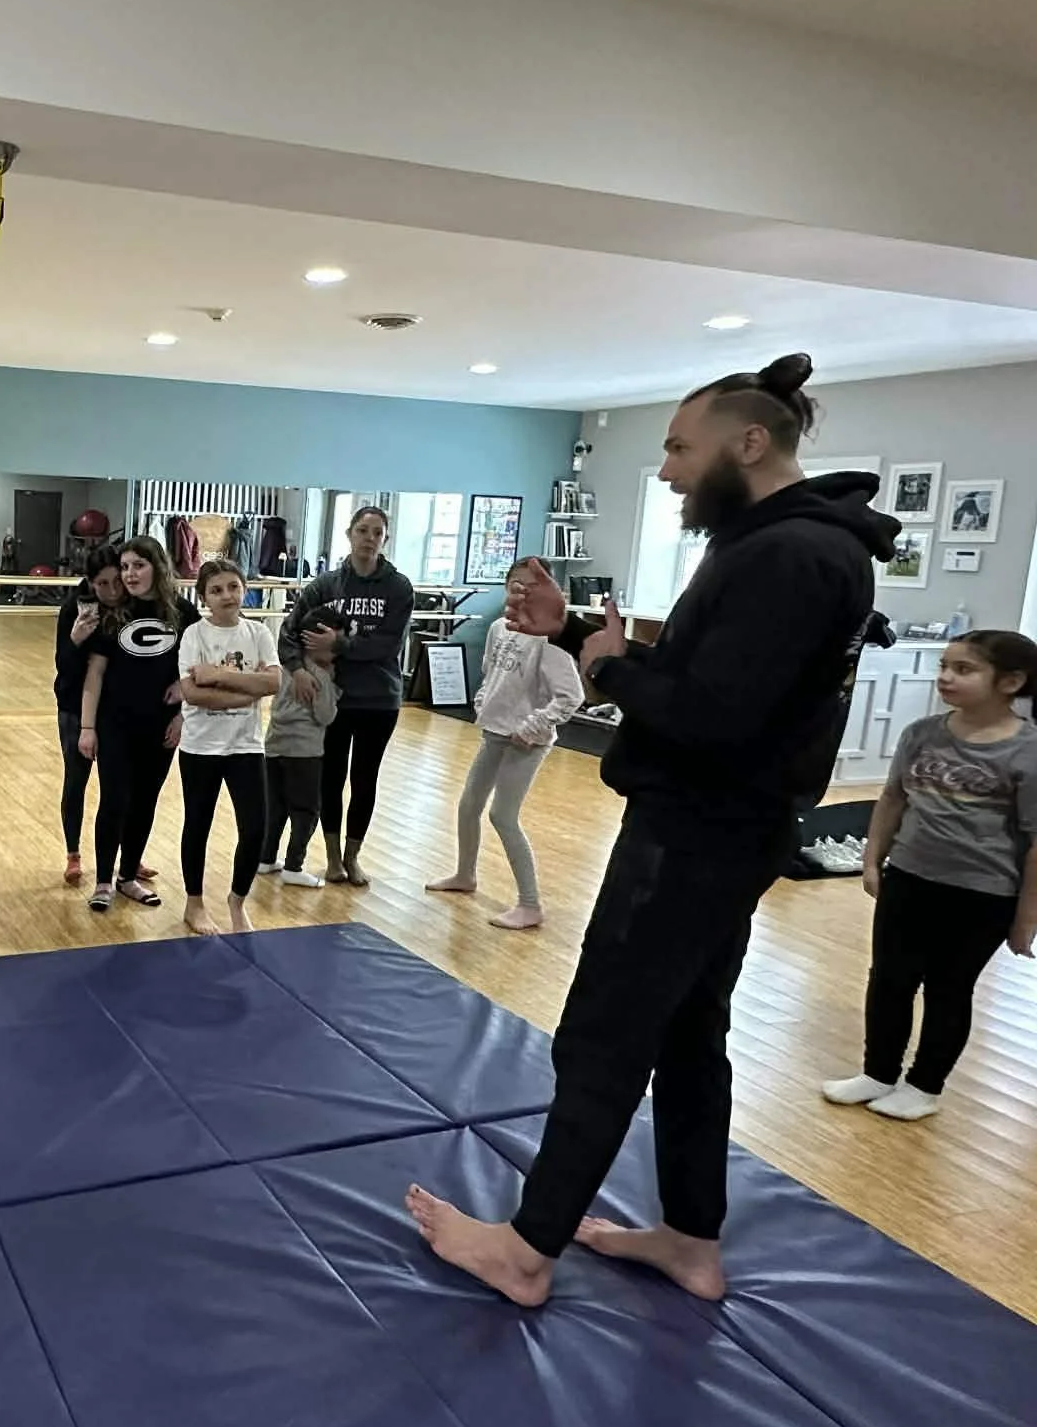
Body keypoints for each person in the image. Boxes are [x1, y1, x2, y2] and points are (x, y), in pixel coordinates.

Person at [406, 353, 897, 1307]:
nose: (667, 469)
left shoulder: (789, 554)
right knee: (687, 1033)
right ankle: (690, 1237)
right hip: (731, 827)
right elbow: (738, 676)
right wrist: (581, 640)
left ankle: (526, 1250)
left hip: (695, 832)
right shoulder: (790, 544)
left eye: (679, 447)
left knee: (603, 1034)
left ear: (749, 443)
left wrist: (612, 669)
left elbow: (713, 716)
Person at [822, 631, 1037, 1121]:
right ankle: (878, 1072)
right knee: (890, 980)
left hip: (982, 895)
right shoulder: (921, 733)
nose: (945, 677)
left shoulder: (1028, 753)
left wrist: (1026, 917)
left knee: (948, 988)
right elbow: (893, 797)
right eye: (944, 666)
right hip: (911, 878)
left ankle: (924, 1086)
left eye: (963, 669)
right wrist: (874, 858)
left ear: (1011, 682)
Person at [426, 559, 585, 930]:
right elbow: (491, 674)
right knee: (469, 806)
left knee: (503, 815)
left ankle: (530, 904)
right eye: (515, 584)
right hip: (494, 733)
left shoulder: (550, 640)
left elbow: (570, 696)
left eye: (530, 585)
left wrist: (531, 727)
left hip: (525, 743)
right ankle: (465, 874)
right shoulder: (500, 628)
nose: (521, 591)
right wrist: (483, 702)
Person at [278, 504, 414, 885]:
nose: (369, 539)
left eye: (377, 533)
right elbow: (289, 632)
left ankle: (354, 856)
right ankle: (333, 857)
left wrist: (339, 643)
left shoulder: (398, 587)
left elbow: (389, 645)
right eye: (363, 531)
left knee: (365, 779)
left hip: (379, 700)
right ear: (350, 534)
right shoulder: (325, 585)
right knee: (331, 778)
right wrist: (298, 670)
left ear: (385, 539)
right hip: (334, 699)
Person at [79, 536, 199, 912]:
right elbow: (94, 675)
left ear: (157, 567)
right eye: (126, 566)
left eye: (138, 566)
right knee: (114, 800)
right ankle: (102, 882)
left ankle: (128, 876)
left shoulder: (181, 612)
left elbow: (196, 668)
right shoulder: (115, 610)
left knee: (145, 802)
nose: (130, 574)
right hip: (116, 724)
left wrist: (183, 712)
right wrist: (87, 727)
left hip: (160, 727)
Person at [176, 559, 279, 935]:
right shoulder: (194, 636)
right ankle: (194, 903)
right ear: (203, 597)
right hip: (201, 746)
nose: (227, 596)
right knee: (197, 825)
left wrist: (218, 676)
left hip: (246, 745)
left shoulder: (258, 633)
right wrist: (244, 693)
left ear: (244, 588)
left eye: (233, 587)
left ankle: (237, 900)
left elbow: (273, 684)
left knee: (255, 828)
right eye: (217, 590)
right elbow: (191, 693)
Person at [259, 604, 345, 888]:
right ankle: (294, 866)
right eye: (332, 645)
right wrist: (334, 688)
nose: (336, 652)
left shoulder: (286, 669)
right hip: (305, 754)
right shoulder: (319, 677)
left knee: (275, 809)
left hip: (273, 749)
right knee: (306, 811)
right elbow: (326, 715)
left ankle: (266, 858)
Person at [56, 547, 125, 885]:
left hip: (116, 707)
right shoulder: (75, 608)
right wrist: (75, 640)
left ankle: (127, 855)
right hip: (73, 705)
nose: (112, 591)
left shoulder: (131, 606)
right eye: (102, 584)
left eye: (117, 581)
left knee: (120, 785)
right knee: (76, 779)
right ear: (90, 582)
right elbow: (63, 667)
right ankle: (73, 855)